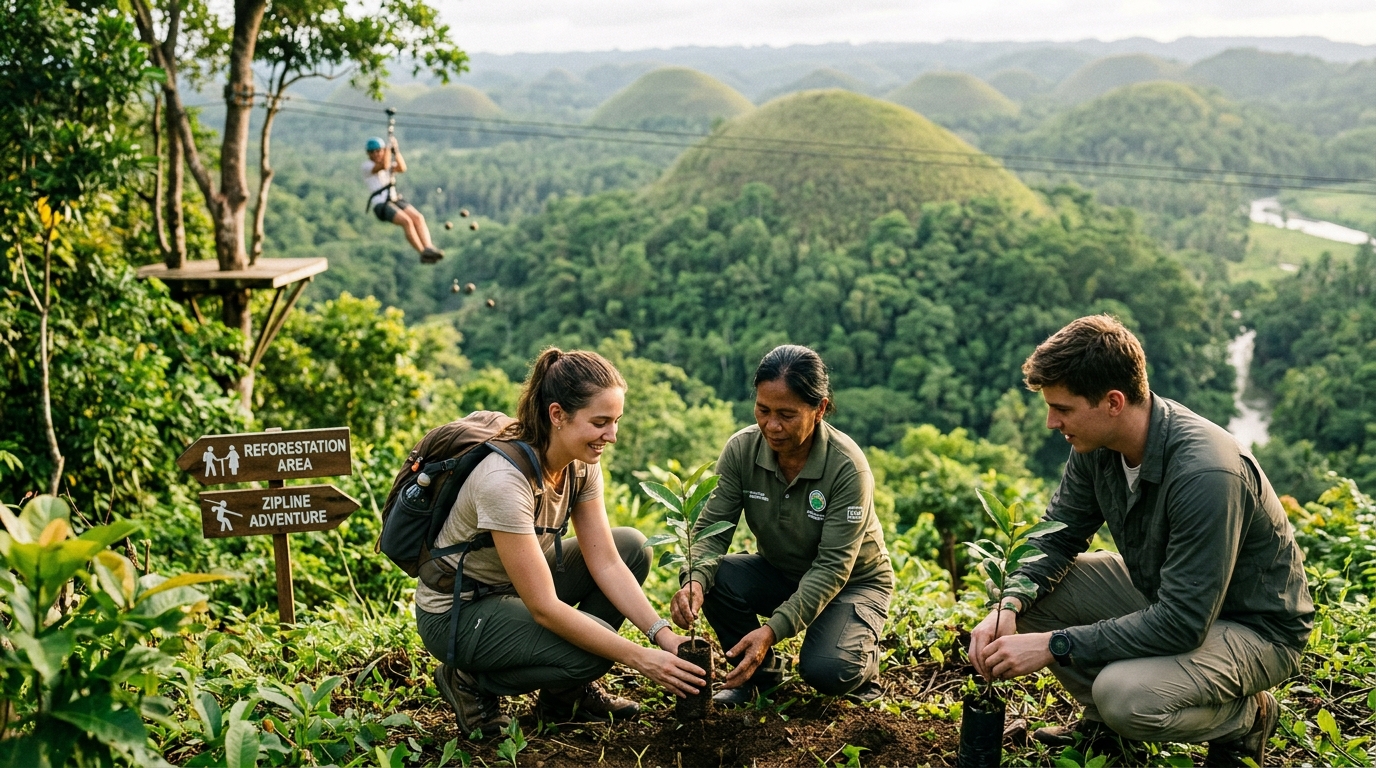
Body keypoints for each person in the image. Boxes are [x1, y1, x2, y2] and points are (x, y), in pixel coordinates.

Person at [968, 315, 1313, 767]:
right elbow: (1055, 538)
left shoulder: (1205, 472)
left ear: (1113, 402)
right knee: (1019, 591)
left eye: (1064, 409)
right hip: (1168, 592)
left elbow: (1183, 622)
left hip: (1252, 627)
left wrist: (1055, 645)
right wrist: (1010, 605)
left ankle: (1245, 718)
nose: (1052, 422)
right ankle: (1102, 727)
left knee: (1124, 697)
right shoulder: (1094, 447)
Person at [415, 348, 706, 737]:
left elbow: (607, 562)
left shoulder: (581, 465)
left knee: (631, 547)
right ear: (557, 415)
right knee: (594, 653)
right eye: (600, 422)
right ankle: (468, 681)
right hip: (459, 610)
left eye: (616, 421)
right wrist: (641, 659)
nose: (612, 436)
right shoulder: (503, 481)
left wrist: (662, 635)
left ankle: (563, 698)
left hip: (511, 586)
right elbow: (545, 608)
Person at [670, 345, 894, 706]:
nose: (772, 426)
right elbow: (712, 530)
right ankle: (759, 677)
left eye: (787, 415)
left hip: (852, 582)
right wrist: (693, 580)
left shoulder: (847, 467)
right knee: (715, 578)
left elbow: (834, 567)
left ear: (819, 409)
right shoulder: (742, 451)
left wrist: (771, 631)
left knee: (826, 669)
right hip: (781, 571)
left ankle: (863, 668)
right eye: (763, 410)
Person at [362, 136, 443, 263]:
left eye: (378, 151)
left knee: (418, 218)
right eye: (372, 152)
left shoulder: (386, 162)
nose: (376, 154)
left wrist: (396, 151)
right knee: (407, 221)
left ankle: (428, 247)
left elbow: (402, 167)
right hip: (381, 205)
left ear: (382, 151)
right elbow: (384, 165)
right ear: (368, 154)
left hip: (393, 199)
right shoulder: (367, 166)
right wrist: (388, 148)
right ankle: (422, 252)